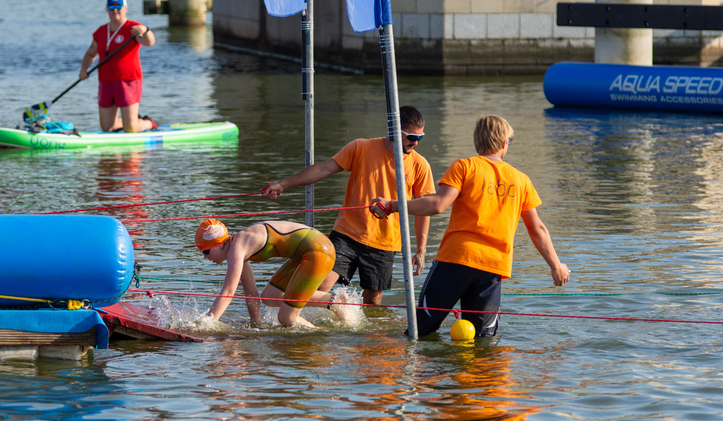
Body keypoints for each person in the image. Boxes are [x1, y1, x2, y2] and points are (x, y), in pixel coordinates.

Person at [369, 114, 571, 338]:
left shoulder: (465, 167)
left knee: (419, 333)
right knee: (482, 341)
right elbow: (537, 229)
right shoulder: (521, 179)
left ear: (477, 141)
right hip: (492, 268)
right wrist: (556, 266)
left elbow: (437, 205)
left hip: (456, 261)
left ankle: (415, 372)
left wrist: (392, 205)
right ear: (504, 143)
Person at [262, 105, 435, 306]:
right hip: (346, 235)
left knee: (372, 302)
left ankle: (361, 335)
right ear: (394, 130)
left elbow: (425, 209)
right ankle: (312, 325)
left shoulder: (420, 165)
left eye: (420, 138)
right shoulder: (361, 147)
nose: (415, 142)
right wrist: (283, 184)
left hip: (385, 242)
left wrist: (420, 250)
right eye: (411, 137)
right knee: (320, 285)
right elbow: (324, 168)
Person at [195, 219, 357, 327]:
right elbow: (251, 294)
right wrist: (256, 326)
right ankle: (333, 300)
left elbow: (229, 291)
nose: (205, 257)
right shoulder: (238, 247)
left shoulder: (237, 248)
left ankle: (322, 337)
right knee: (269, 295)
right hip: (311, 250)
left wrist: (207, 324)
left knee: (287, 318)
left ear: (220, 244)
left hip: (320, 251)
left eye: (206, 251)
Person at [79, 0, 157, 133]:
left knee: (131, 129)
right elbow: (91, 53)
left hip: (128, 81)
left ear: (125, 8)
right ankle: (131, 120)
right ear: (107, 9)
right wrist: (83, 70)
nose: (115, 10)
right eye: (111, 6)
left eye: (118, 6)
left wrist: (146, 30)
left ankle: (147, 123)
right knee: (107, 128)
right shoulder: (101, 31)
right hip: (106, 82)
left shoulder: (133, 28)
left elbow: (149, 42)